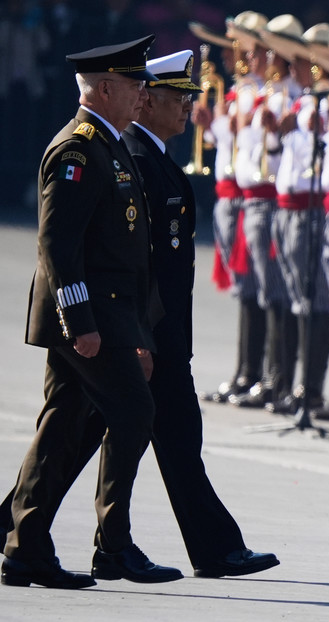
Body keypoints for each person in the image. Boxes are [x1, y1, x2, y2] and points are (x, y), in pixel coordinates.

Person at [1, 35, 181, 589]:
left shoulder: (111, 143)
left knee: (61, 428)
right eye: (133, 86)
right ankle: (113, 545)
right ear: (105, 88)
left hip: (107, 320)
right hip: (83, 320)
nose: (141, 96)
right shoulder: (78, 148)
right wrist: (80, 324)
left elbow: (126, 255)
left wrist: (137, 330)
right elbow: (58, 246)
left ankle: (24, 545)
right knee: (132, 413)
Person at [120, 49, 279, 577]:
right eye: (177, 98)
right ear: (146, 100)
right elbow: (136, 263)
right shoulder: (139, 160)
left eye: (189, 97)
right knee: (87, 435)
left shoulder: (153, 156)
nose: (188, 107)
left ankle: (209, 547)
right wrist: (142, 333)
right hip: (148, 333)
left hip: (160, 333)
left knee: (163, 436)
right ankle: (29, 529)